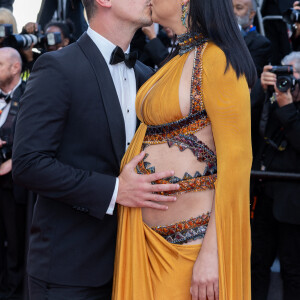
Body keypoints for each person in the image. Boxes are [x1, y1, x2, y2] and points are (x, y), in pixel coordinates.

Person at [12, 0, 179, 299]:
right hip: (69, 270)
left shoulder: (146, 75)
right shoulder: (57, 67)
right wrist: (115, 190)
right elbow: (28, 163)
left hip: (136, 265)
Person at [112, 0, 256, 299]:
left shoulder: (217, 59)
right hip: (144, 239)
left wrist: (212, 255)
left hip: (192, 249)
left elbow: (236, 164)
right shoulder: (180, 56)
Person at [251, 52, 300, 300]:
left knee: (293, 271)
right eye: (284, 74)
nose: (287, 82)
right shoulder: (270, 99)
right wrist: (260, 91)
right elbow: (243, 124)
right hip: (264, 198)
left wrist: (288, 108)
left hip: (293, 206)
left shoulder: (286, 105)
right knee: (257, 265)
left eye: (293, 76)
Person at [0, 47, 26, 300]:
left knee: (15, 244)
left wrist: (15, 159)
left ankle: (13, 293)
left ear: (15, 68)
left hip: (15, 184)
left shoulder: (32, 95)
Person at [233, 0, 272, 77]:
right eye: (230, 8)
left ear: (251, 14)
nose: (233, 12)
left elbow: (249, 75)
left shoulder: (261, 43)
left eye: (239, 8)